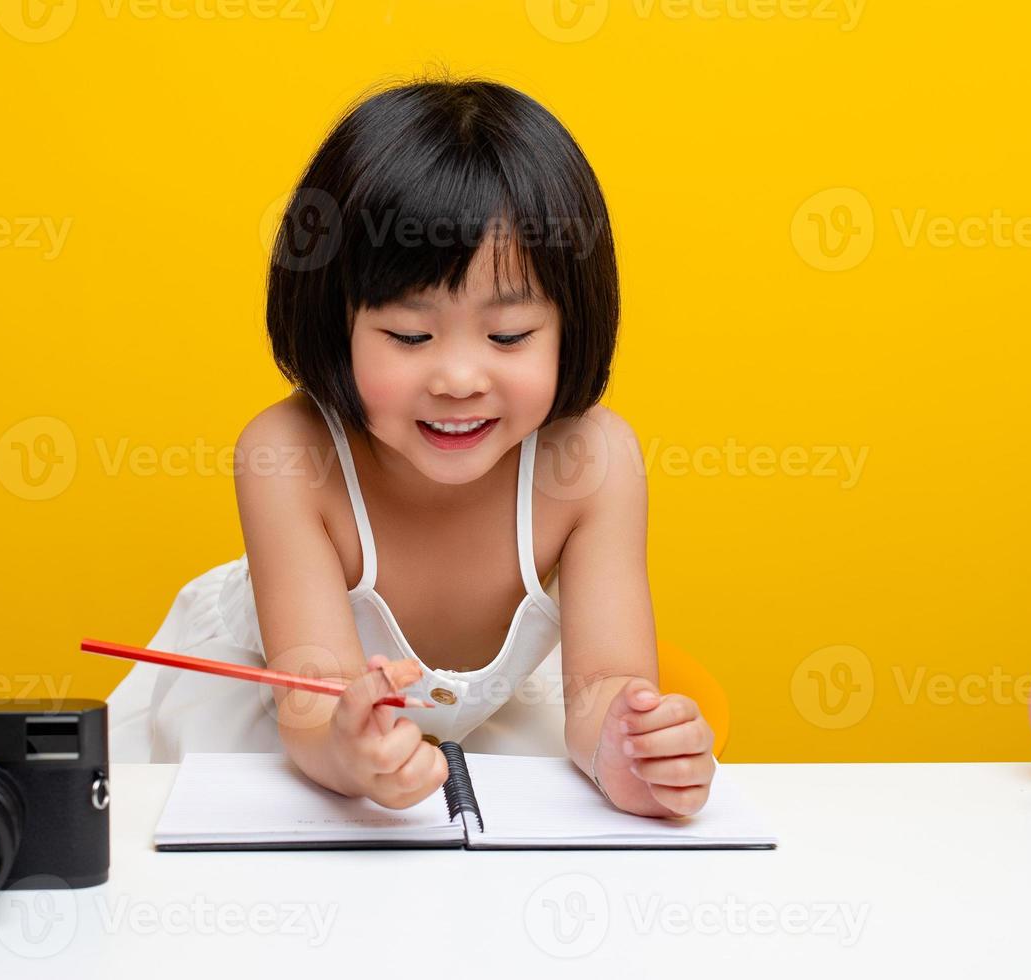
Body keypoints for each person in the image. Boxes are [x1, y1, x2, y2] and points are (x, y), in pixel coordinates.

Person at [108, 74, 716, 818]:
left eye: (508, 337)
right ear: (337, 323)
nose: (458, 378)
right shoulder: (290, 455)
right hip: (274, 718)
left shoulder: (590, 463)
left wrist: (627, 746)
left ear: (572, 322)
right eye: (408, 336)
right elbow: (309, 708)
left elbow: (603, 686)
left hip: (480, 722)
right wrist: (351, 751)